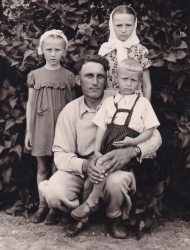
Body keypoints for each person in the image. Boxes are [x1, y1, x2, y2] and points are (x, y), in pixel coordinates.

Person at [39, 54, 162, 239]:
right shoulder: (70, 111)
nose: (95, 82)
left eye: (100, 76)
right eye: (89, 76)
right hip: (84, 169)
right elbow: (60, 154)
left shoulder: (122, 100)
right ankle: (80, 212)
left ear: (107, 79)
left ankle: (114, 216)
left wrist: (131, 151)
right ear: (78, 80)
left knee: (117, 182)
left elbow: (155, 137)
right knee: (54, 191)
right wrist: (85, 165)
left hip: (113, 165)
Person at [71, 59, 160, 221]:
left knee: (103, 168)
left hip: (127, 149)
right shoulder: (110, 102)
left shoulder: (143, 103)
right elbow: (101, 127)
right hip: (108, 147)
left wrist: (133, 143)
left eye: (133, 80)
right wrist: (97, 150)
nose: (128, 84)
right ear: (116, 79)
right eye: (124, 79)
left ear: (139, 83)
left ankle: (92, 203)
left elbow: (150, 130)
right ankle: (84, 213)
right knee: (95, 173)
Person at [25, 29, 76, 224]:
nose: (53, 54)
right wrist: (28, 131)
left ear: (64, 51)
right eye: (49, 49)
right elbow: (30, 104)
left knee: (58, 168)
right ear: (41, 50)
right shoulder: (35, 75)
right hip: (40, 128)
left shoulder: (69, 76)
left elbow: (72, 107)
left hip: (61, 130)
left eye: (57, 50)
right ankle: (42, 206)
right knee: (42, 167)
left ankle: (55, 208)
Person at [99, 5, 152, 100]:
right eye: (119, 25)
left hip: (135, 101)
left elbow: (146, 85)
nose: (123, 30)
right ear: (111, 25)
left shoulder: (141, 51)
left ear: (134, 25)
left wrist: (146, 108)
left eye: (128, 25)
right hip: (110, 100)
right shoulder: (105, 50)